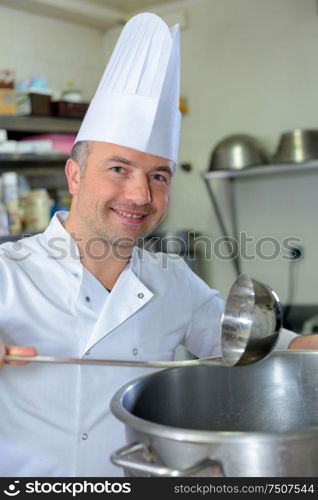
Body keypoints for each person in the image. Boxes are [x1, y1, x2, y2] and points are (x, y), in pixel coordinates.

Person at [0, 12, 317, 478]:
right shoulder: (8, 272)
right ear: (75, 175)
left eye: (158, 176)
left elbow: (262, 349)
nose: (141, 195)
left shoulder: (173, 280)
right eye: (119, 169)